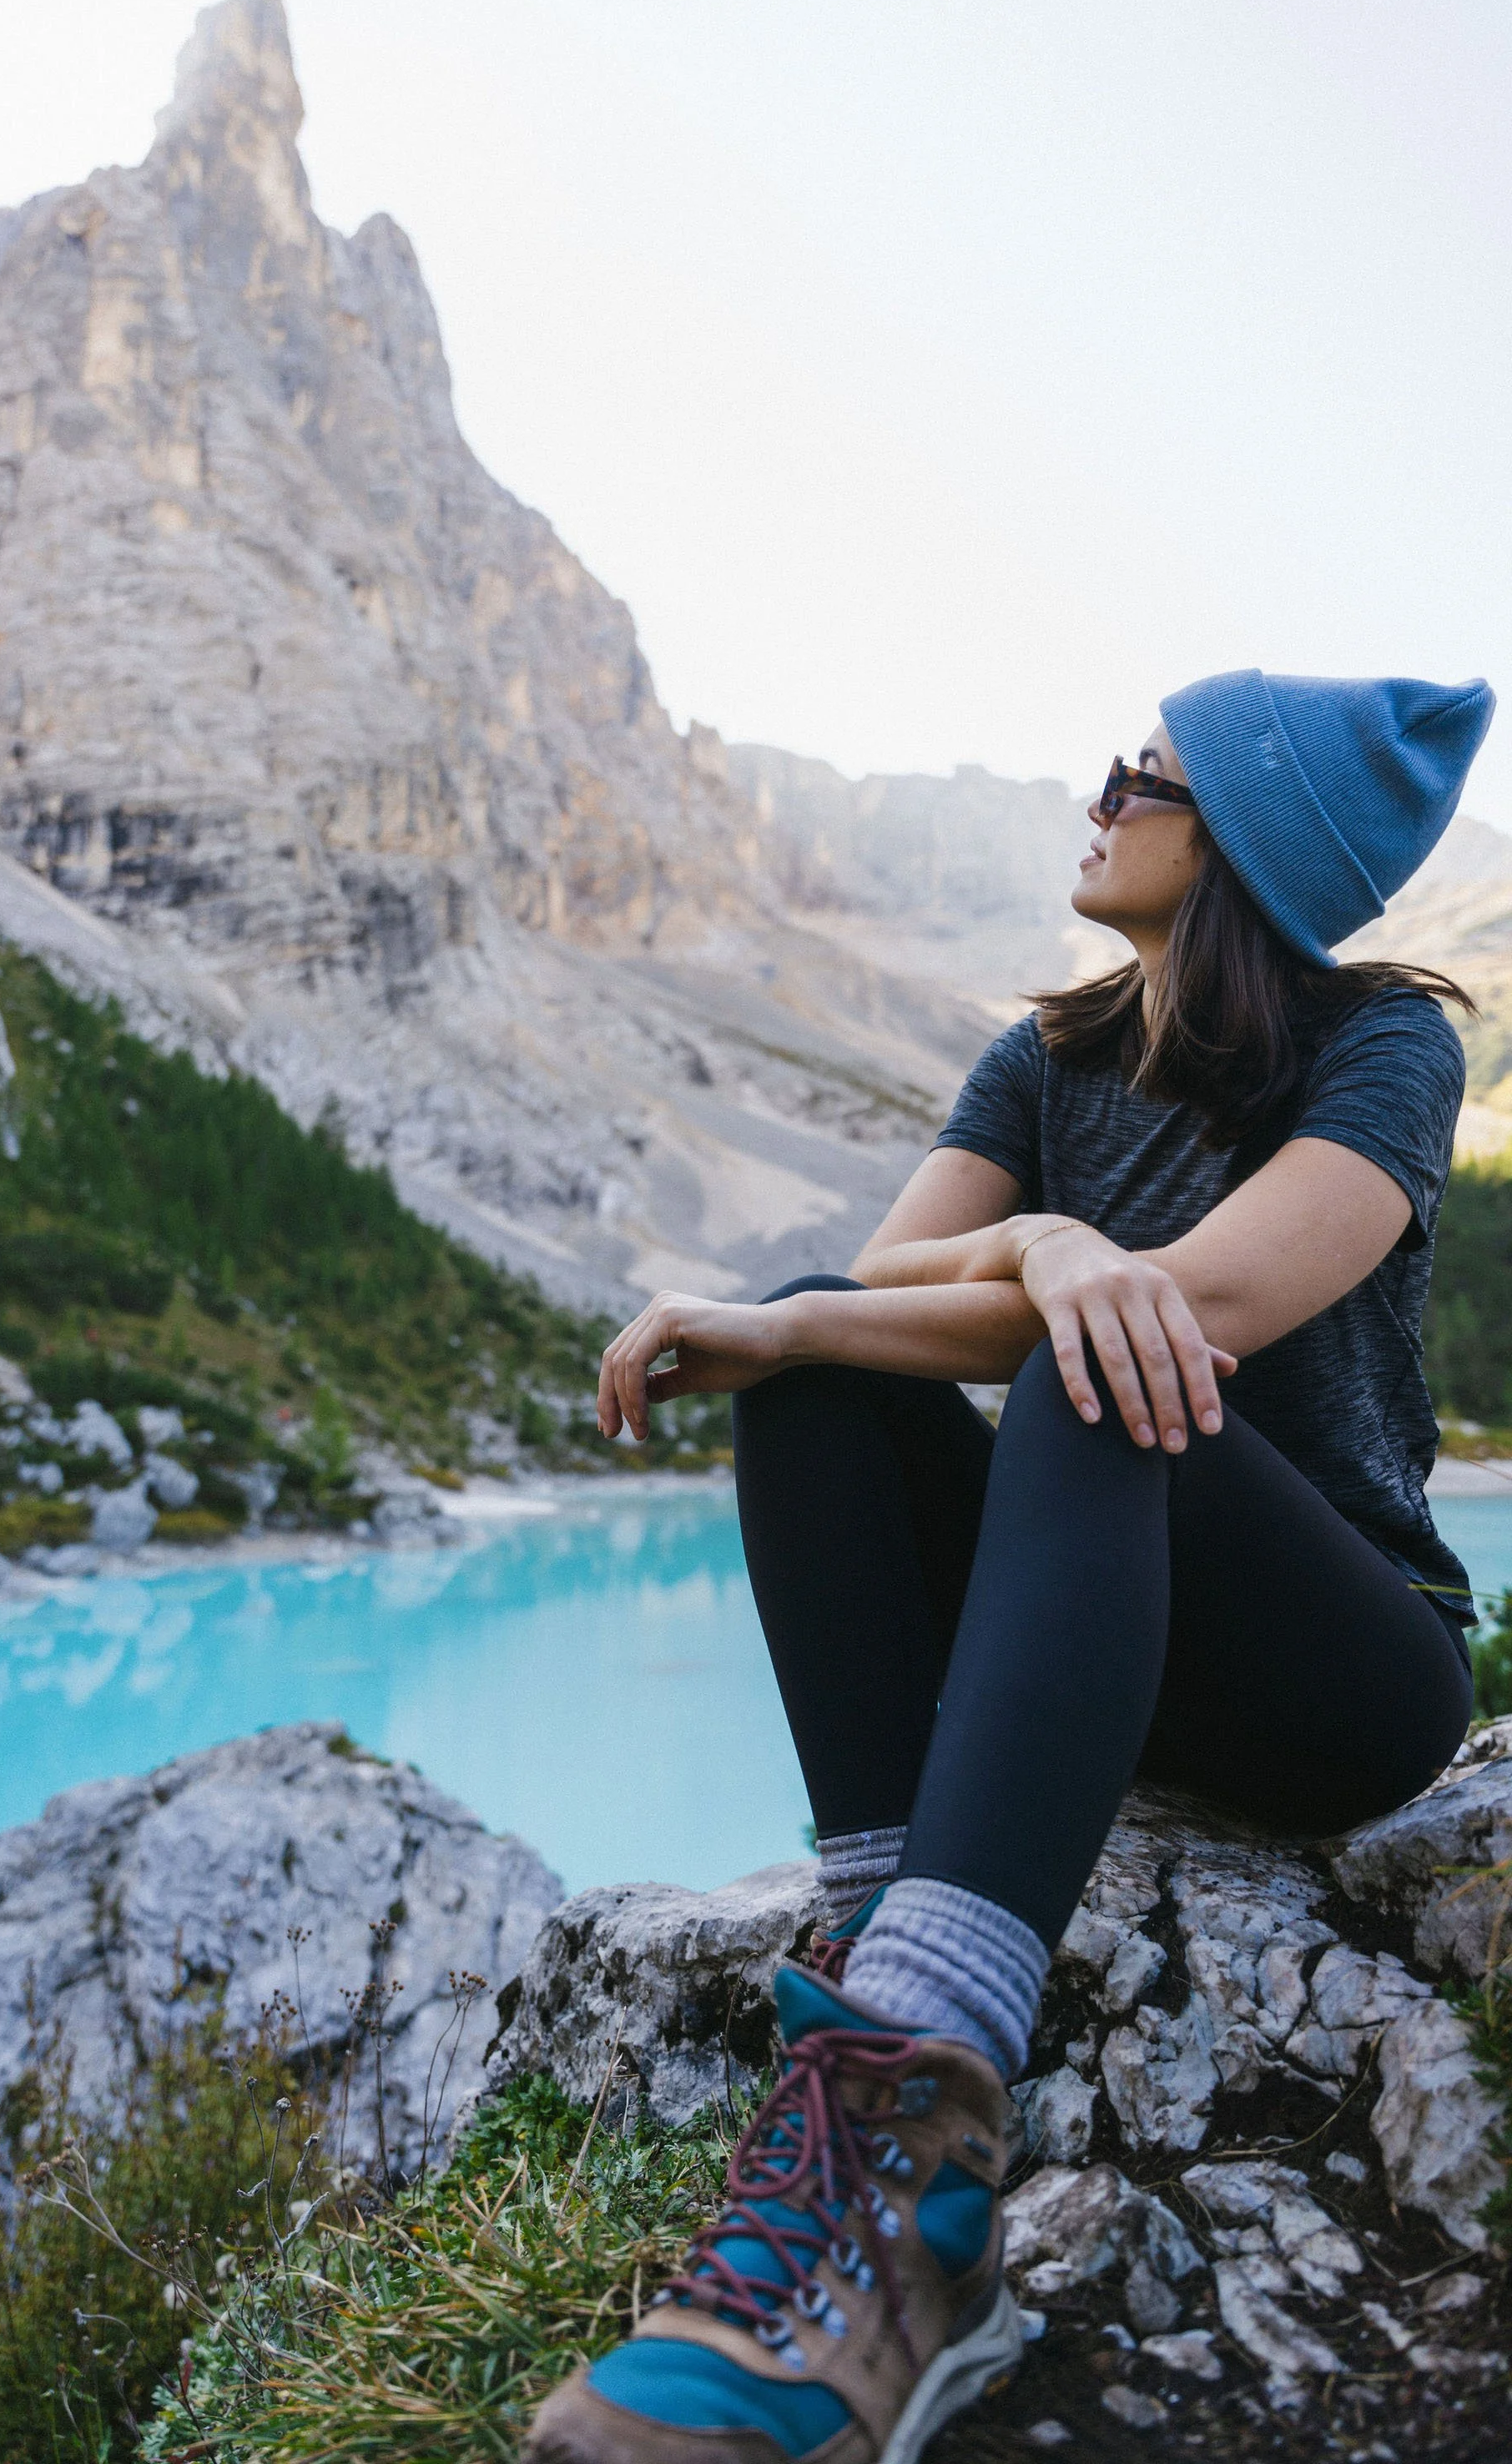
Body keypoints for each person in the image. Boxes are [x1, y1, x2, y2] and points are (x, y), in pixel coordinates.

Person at [525, 670, 1497, 2464]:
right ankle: (884, 1983)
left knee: (1105, 1355)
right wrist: (1044, 1236)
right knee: (814, 1347)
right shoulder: (1043, 1054)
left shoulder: (1386, 1040)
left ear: (1247, 840)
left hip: (1340, 1669)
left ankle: (915, 2160)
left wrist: (1062, 1280)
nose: (1100, 790)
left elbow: (1202, 1308)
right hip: (1102, 1634)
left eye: (1145, 773)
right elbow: (872, 1285)